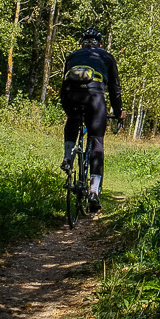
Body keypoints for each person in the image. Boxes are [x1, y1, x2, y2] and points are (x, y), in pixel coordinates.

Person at [58, 27, 122, 212]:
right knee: (96, 139)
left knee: (73, 119)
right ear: (100, 44)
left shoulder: (73, 56)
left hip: (70, 95)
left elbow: (64, 81)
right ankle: (94, 190)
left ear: (82, 44)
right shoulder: (107, 57)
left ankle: (68, 157)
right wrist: (118, 112)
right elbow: (114, 89)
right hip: (94, 97)